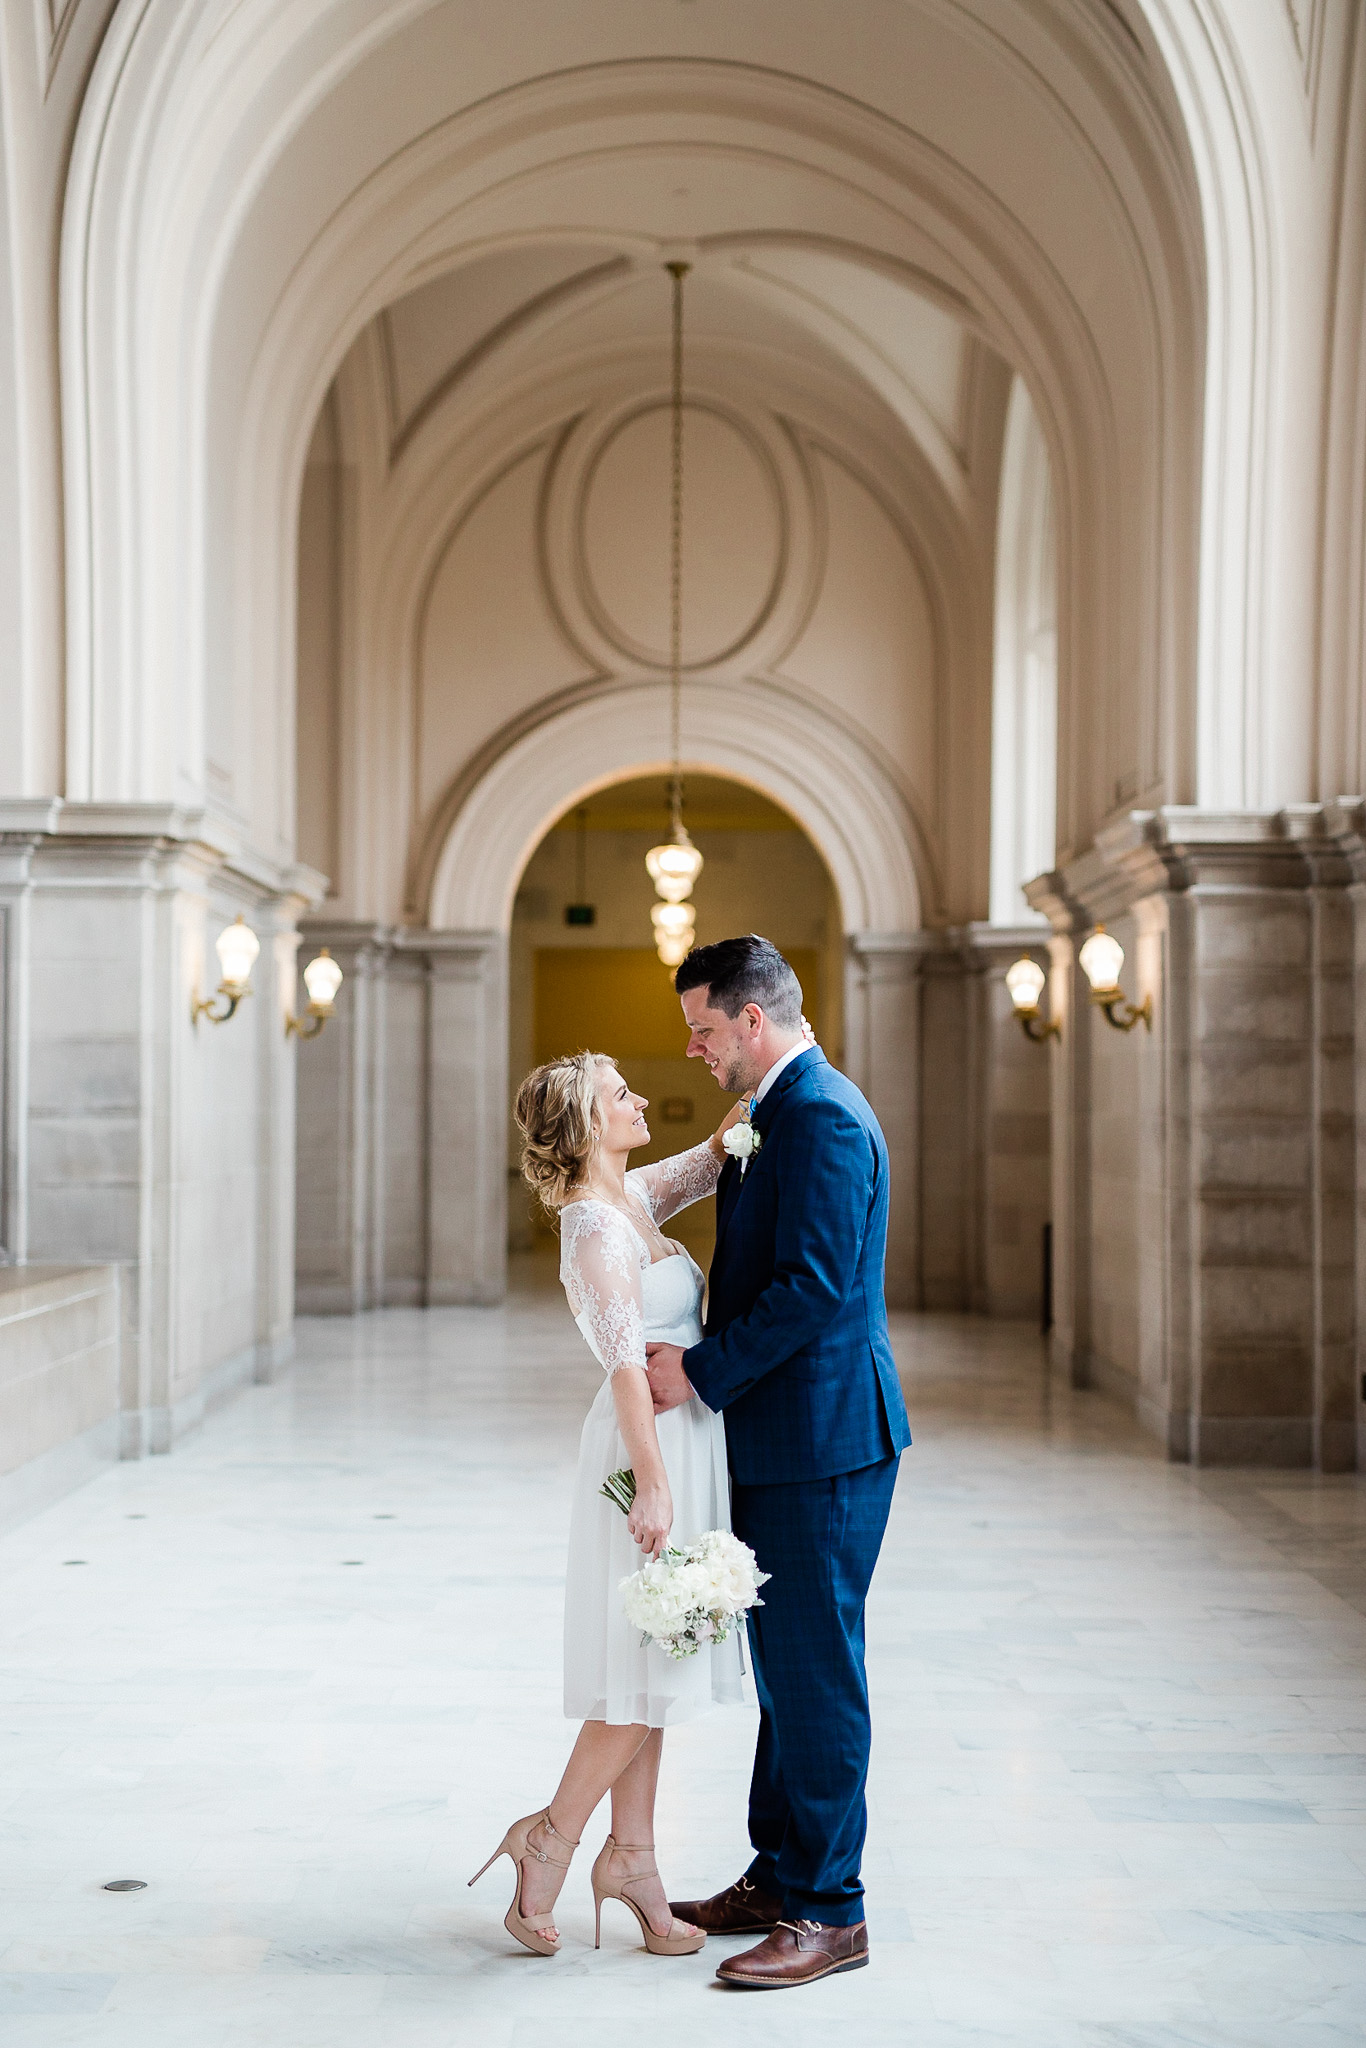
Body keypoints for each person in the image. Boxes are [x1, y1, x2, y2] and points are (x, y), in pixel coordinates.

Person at [646, 934, 912, 1992]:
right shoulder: (772, 1113)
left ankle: (830, 1909)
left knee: (819, 1674)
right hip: (785, 1436)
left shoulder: (824, 1117)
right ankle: (775, 1872)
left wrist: (697, 1373)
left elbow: (809, 1289)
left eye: (704, 1030)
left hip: (826, 1442)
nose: (697, 1050)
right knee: (784, 1675)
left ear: (752, 1020)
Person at [469, 1052, 748, 1958]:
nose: (636, 1098)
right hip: (642, 1455)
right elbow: (626, 1366)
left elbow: (713, 1154)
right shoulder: (594, 1225)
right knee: (643, 1669)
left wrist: (770, 1059)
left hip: (684, 1437)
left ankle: (633, 1859)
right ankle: (547, 1841)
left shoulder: (632, 1199)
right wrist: (658, 1483)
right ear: (587, 1128)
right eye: (617, 1094)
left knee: (653, 1673)